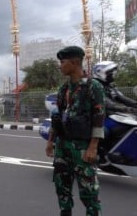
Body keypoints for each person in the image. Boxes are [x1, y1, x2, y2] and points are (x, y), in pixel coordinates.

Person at [45, 46, 105, 216]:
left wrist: (93, 146)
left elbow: (99, 116)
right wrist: (51, 142)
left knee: (89, 193)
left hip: (82, 147)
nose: (60, 66)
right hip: (63, 146)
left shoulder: (93, 87)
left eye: (62, 62)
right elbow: (57, 117)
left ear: (74, 62)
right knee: (61, 188)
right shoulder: (63, 89)